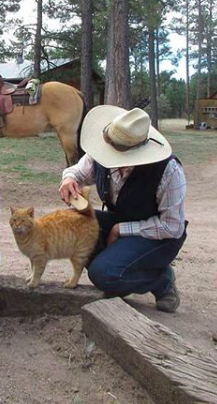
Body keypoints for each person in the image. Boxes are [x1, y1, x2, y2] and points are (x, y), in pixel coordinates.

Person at [59, 105, 187, 313]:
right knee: (71, 224)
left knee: (104, 274)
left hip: (157, 236)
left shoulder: (168, 170)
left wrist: (121, 229)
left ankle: (161, 280)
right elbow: (78, 172)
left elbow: (172, 226)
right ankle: (117, 273)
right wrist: (69, 179)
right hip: (120, 220)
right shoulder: (106, 148)